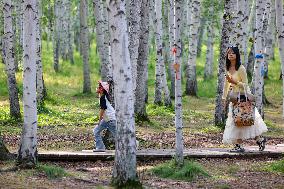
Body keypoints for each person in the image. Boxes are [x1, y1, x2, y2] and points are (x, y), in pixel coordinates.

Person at [222, 46, 268, 152]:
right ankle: (260, 140)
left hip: (243, 98)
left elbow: (245, 84)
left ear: (237, 55)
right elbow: (226, 84)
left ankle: (239, 146)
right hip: (234, 98)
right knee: (239, 121)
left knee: (244, 120)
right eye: (229, 53)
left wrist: (234, 82)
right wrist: (224, 97)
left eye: (233, 53)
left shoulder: (241, 68)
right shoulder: (228, 68)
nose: (230, 55)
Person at [93, 80, 116, 152]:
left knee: (117, 135)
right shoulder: (102, 97)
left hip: (111, 119)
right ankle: (100, 148)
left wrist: (99, 120)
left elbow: (102, 109)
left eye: (99, 87)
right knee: (96, 130)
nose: (97, 88)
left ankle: (132, 145)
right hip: (106, 119)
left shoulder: (103, 98)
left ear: (102, 89)